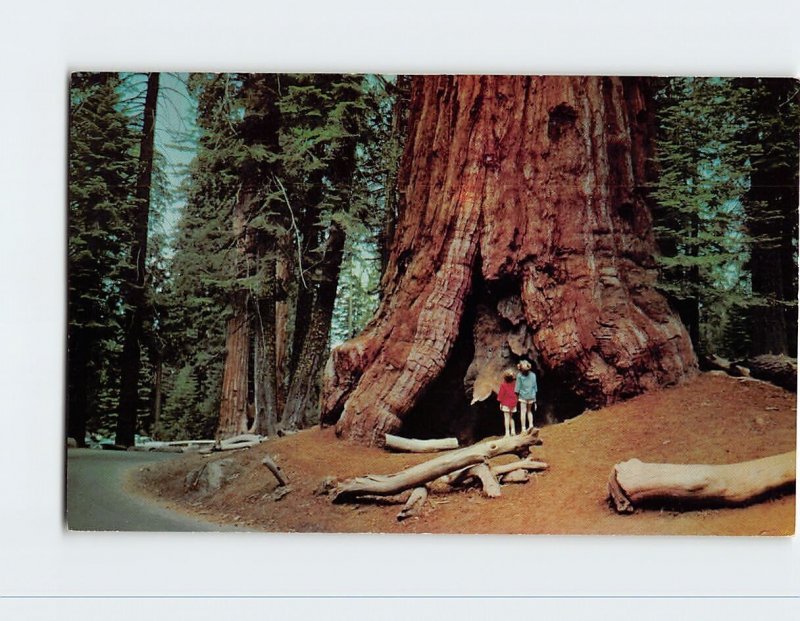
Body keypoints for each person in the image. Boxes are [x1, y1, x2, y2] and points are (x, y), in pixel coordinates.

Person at [515, 360, 538, 432]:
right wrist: (535, 399)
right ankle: (531, 425)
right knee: (529, 411)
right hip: (531, 396)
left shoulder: (519, 376)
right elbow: (535, 387)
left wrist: (516, 395)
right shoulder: (533, 375)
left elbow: (517, 388)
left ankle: (523, 428)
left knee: (523, 412)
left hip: (523, 397)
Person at [497, 369, 518, 437]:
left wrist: (500, 403)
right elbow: (516, 392)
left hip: (505, 403)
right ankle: (513, 431)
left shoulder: (503, 385)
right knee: (512, 418)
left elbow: (501, 395)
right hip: (513, 403)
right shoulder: (515, 384)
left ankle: (507, 433)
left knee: (506, 418)